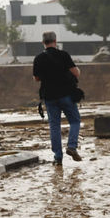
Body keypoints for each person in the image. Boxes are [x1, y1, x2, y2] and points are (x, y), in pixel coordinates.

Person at [32, 31, 82, 164]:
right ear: (55, 40)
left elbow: (36, 78)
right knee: (75, 121)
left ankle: (58, 157)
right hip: (66, 95)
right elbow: (76, 73)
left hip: (49, 97)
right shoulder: (63, 55)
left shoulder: (38, 58)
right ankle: (71, 146)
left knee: (54, 126)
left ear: (43, 42)